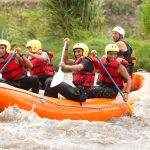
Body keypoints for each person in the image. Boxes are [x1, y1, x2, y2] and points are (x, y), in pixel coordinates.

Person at [47, 38, 96, 103]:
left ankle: (48, 102)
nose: (76, 54)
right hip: (76, 90)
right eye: (75, 52)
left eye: (78, 51)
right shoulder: (77, 61)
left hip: (81, 94)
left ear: (84, 52)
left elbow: (79, 67)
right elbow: (66, 60)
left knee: (51, 81)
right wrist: (67, 46)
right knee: (50, 80)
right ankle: (52, 101)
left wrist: (65, 66)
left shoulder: (87, 61)